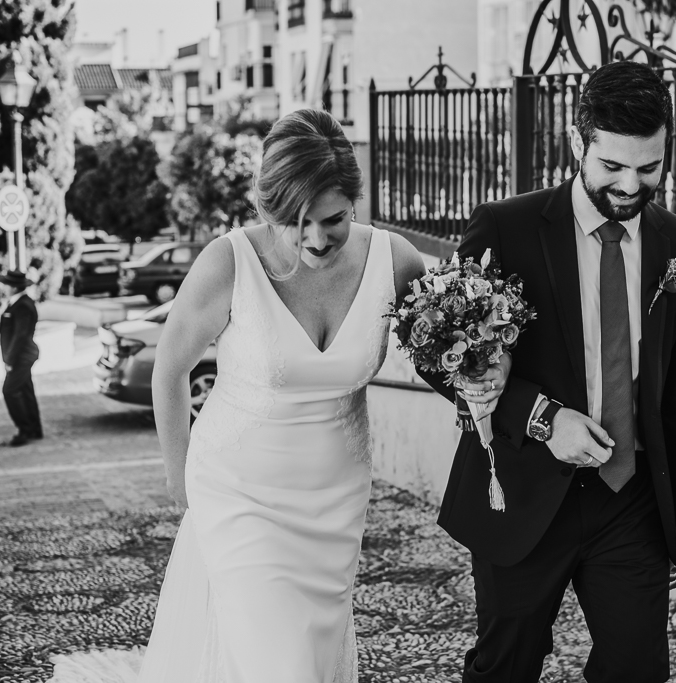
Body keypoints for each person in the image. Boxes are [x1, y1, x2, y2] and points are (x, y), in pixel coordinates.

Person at [417, 61, 676, 682]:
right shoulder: (506, 226)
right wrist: (546, 418)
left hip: (630, 502)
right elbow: (444, 356)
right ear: (577, 142)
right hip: (523, 489)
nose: (631, 186)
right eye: (612, 166)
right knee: (507, 665)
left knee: (637, 670)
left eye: (650, 167)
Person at [137, 109, 428, 683]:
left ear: (356, 201)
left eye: (335, 219)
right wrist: (181, 476)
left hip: (336, 506)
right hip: (240, 498)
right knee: (282, 667)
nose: (318, 240)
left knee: (311, 663)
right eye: (299, 222)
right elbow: (169, 368)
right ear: (269, 210)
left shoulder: (395, 262)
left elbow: (445, 358)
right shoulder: (230, 262)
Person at [0, 269, 43, 447]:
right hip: (21, 355)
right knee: (26, 391)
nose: (4, 288)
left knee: (9, 391)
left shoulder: (23, 305)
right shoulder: (17, 303)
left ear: (14, 287)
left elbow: (20, 336)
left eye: (7, 285)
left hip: (21, 356)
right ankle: (34, 429)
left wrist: (9, 360)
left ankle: (24, 430)